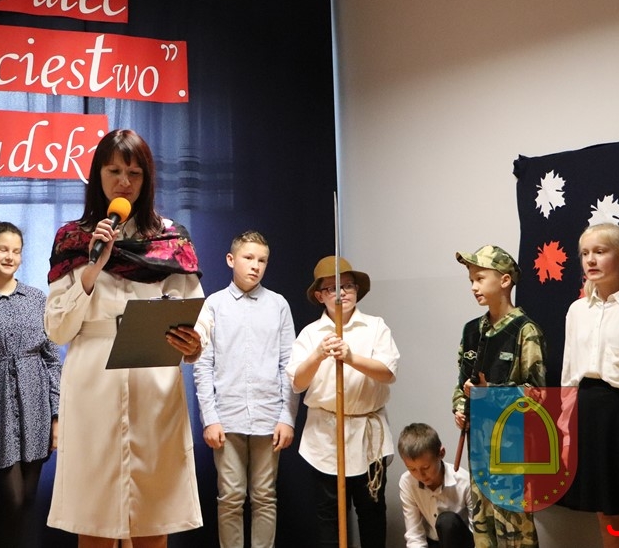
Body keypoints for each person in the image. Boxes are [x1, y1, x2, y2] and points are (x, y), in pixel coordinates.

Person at [45, 128, 206, 548]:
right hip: (92, 376)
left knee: (154, 512)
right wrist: (93, 267)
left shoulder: (171, 238)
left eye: (134, 173)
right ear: (97, 174)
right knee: (94, 515)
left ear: (146, 179)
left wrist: (196, 341)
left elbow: (197, 311)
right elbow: (57, 328)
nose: (124, 182)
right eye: (114, 171)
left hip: (154, 376)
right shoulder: (73, 238)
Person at [192, 230, 298, 548]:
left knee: (265, 496)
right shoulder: (213, 305)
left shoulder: (278, 305)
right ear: (231, 259)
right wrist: (209, 418)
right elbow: (202, 365)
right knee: (230, 497)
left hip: (269, 416)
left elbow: (289, 365)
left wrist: (287, 417)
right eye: (248, 258)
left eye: (262, 260)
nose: (255, 266)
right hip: (227, 416)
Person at [286, 255, 399, 548]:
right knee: (329, 517)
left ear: (357, 289)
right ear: (320, 296)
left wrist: (351, 357)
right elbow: (297, 382)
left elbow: (388, 373)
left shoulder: (375, 327)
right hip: (325, 436)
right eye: (332, 288)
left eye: (348, 285)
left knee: (372, 513)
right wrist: (318, 355)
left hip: (368, 435)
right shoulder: (311, 334)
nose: (342, 293)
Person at [558, 223, 619, 548]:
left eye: (600, 251)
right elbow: (569, 375)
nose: (590, 260)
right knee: (606, 514)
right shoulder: (577, 310)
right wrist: (566, 433)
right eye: (585, 253)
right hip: (590, 419)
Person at [0, 220, 62, 546]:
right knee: (12, 499)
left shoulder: (37, 299)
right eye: (2, 249)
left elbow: (52, 360)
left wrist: (56, 417)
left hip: (35, 406)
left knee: (27, 500)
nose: (10, 257)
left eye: (16, 251)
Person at [452, 245, 546, 548]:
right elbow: (461, 383)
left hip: (512, 450)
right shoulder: (472, 330)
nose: (474, 287)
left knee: (515, 532)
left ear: (505, 280)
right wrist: (461, 408)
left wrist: (488, 393)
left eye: (480, 278)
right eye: (471, 280)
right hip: (478, 447)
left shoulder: (525, 330)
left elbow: (537, 395)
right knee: (483, 528)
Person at [398, 422, 474, 548]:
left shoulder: (464, 481)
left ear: (441, 453)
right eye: (412, 469)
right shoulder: (407, 482)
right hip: (433, 541)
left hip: (462, 543)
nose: (421, 475)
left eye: (426, 467)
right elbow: (414, 534)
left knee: (447, 521)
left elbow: (477, 532)